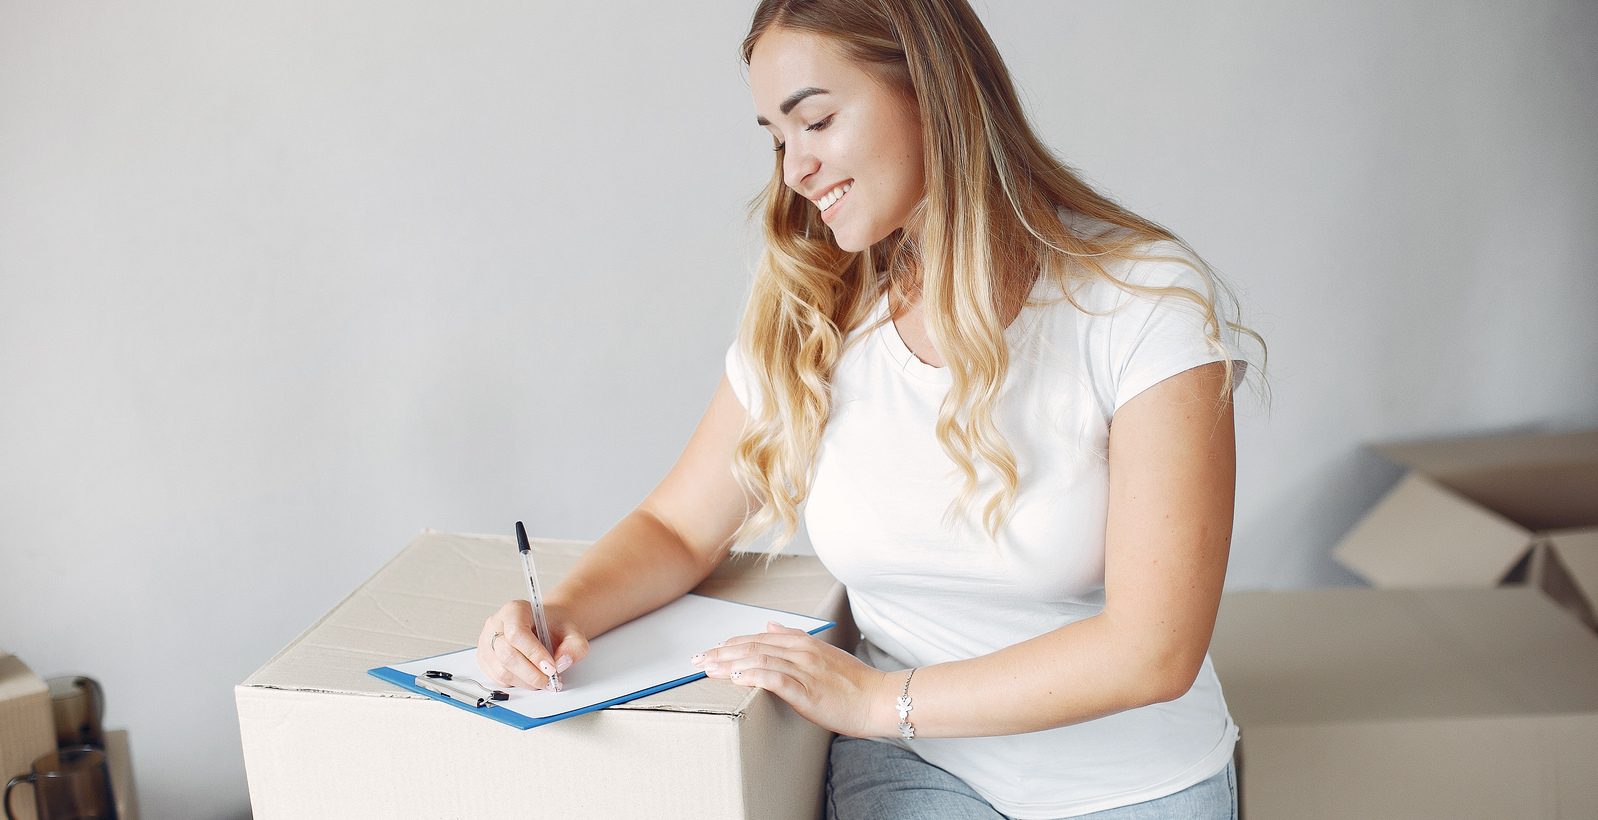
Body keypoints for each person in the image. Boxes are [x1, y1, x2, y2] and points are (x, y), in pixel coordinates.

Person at [479, 1, 1260, 817]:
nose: (793, 170)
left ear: (932, 89)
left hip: (1130, 779)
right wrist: (559, 612)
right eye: (778, 139)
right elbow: (679, 528)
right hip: (920, 770)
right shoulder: (817, 309)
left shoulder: (1142, 299)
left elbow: (1153, 651)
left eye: (815, 121)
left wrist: (879, 704)